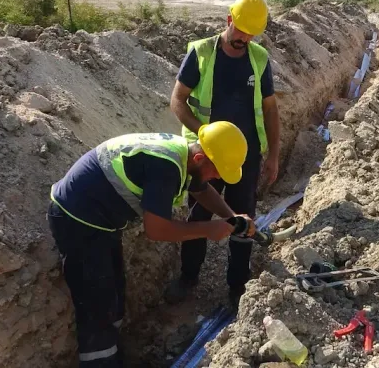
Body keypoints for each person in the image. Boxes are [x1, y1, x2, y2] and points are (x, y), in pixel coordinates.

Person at [47, 122, 255, 367]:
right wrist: (208, 230)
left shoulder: (186, 156)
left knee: (113, 294)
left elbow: (201, 189)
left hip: (101, 223)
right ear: (200, 158)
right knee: (97, 308)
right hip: (77, 221)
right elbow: (156, 230)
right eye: (217, 171)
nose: (218, 178)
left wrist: (232, 217)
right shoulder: (165, 167)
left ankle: (113, 354)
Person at [164, 0, 281, 308]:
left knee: (243, 219)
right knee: (196, 216)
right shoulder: (201, 53)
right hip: (208, 153)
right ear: (229, 20)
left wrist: (273, 155)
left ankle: (238, 287)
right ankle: (188, 278)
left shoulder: (258, 59)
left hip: (245, 156)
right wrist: (201, 133)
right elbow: (177, 100)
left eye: (251, 33)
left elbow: (270, 109)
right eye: (241, 30)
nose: (244, 38)